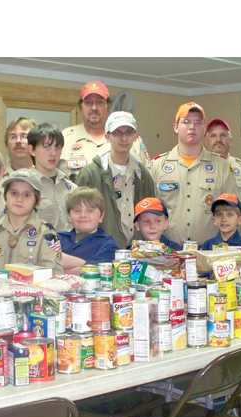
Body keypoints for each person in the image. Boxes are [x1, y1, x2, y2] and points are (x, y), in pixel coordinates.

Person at [150, 102, 237, 245]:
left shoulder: (222, 166)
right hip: (168, 249)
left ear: (204, 129)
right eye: (186, 122)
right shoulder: (157, 166)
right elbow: (149, 211)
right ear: (176, 127)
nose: (192, 127)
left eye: (198, 123)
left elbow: (232, 211)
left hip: (210, 249)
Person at [75, 111, 155, 248]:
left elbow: (151, 214)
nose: (124, 138)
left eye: (129, 132)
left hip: (136, 251)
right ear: (107, 136)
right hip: (99, 251)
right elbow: (77, 217)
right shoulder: (90, 174)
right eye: (117, 133)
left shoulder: (143, 175)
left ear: (135, 136)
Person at [61, 80, 150, 179]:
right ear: (80, 107)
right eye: (88, 103)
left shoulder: (132, 140)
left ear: (107, 106)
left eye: (99, 103)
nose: (94, 108)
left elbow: (147, 178)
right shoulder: (66, 137)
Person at [0, 169, 63, 273]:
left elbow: (54, 274)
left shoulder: (47, 235)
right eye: (14, 193)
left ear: (36, 200)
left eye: (27, 195)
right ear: (5, 196)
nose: (19, 199)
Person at [28, 123, 76, 232]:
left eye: (57, 147)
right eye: (47, 147)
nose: (53, 153)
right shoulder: (23, 186)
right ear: (32, 150)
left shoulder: (72, 188)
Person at [204, 117, 241, 218]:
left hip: (238, 231)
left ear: (230, 139)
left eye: (223, 135)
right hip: (209, 231)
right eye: (213, 136)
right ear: (206, 141)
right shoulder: (198, 168)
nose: (218, 140)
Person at [59, 187, 117, 274]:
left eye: (90, 211)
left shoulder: (108, 244)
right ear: (69, 216)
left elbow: (98, 272)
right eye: (77, 211)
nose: (83, 215)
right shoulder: (58, 238)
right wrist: (85, 265)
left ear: (101, 216)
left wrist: (60, 266)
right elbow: (44, 266)